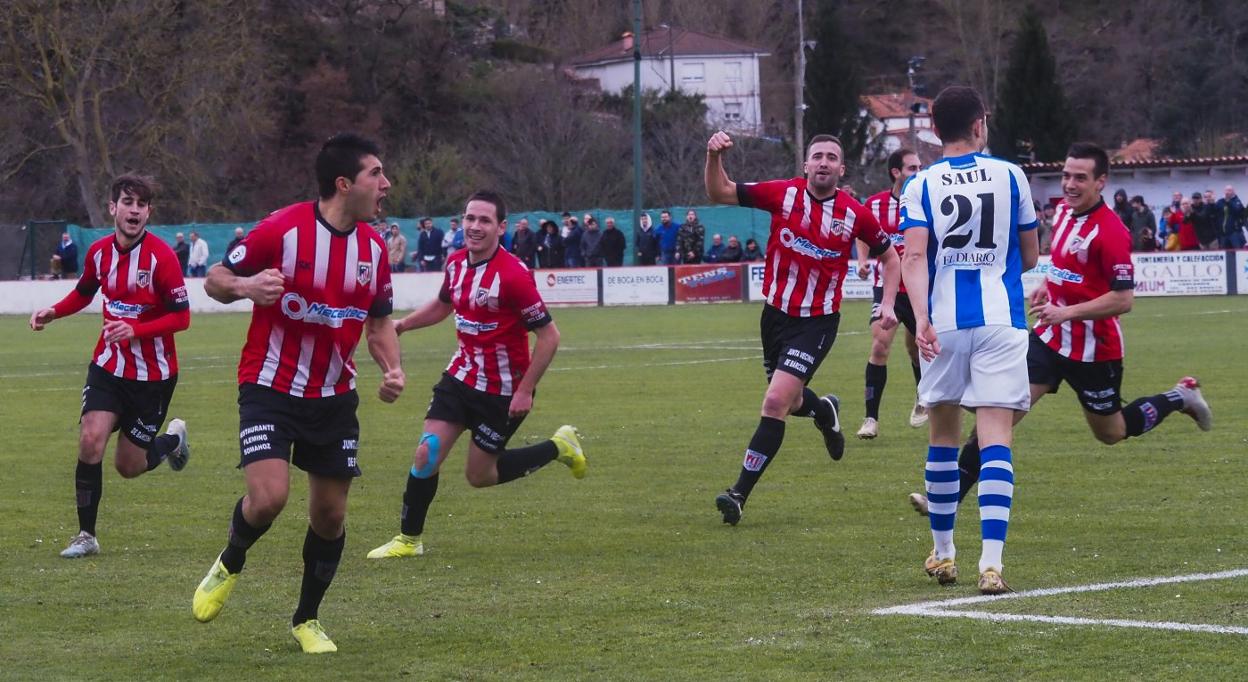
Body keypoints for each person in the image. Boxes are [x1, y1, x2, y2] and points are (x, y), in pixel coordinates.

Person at [907, 143, 1214, 544]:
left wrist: (1067, 312)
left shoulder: (1112, 231)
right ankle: (945, 502)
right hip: (1049, 342)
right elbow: (1064, 267)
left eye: (1080, 178)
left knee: (1112, 431)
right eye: (1067, 175)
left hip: (1094, 350)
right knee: (994, 420)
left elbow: (1123, 299)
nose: (1069, 184)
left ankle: (1179, 397)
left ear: (1101, 182)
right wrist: (1046, 291)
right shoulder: (1068, 215)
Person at [191, 133, 406, 654]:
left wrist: (393, 368)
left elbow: (378, 326)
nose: (386, 184)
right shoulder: (282, 228)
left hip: (334, 396)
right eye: (376, 174)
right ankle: (231, 560)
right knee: (269, 500)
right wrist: (245, 288)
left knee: (330, 516)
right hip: (269, 386)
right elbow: (215, 278)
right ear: (344, 184)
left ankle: (306, 619)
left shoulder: (374, 249)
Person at [367, 190, 586, 560]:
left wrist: (526, 390)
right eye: (470, 218)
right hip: (461, 377)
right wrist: (403, 324)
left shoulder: (514, 275)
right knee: (426, 453)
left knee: (479, 476)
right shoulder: (454, 263)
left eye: (484, 220)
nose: (474, 226)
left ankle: (559, 447)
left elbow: (549, 336)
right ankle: (408, 539)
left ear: (501, 227)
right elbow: (443, 305)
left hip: (503, 390)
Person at [705, 130, 900, 526]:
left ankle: (738, 493)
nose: (824, 162)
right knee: (791, 402)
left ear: (841, 169)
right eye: (818, 156)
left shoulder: (855, 213)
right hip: (774, 317)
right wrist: (713, 157)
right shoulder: (783, 195)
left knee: (775, 401)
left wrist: (889, 305)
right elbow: (720, 192)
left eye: (832, 156)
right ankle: (823, 410)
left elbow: (891, 257)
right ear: (806, 165)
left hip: (818, 322)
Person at [897, 86, 1039, 595]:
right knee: (997, 437)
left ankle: (943, 553)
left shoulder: (920, 185)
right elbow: (1031, 253)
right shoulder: (1011, 175)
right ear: (981, 124)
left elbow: (912, 259)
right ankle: (992, 564)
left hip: (946, 324)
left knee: (942, 436)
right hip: (1002, 320)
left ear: (935, 131)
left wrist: (921, 320)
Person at [29, 173, 192, 559]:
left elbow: (181, 318)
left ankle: (171, 441)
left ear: (149, 211)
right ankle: (86, 535)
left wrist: (134, 330)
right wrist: (54, 311)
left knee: (129, 466)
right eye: (127, 202)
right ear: (113, 208)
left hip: (153, 377)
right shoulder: (99, 253)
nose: (134, 211)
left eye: (141, 204)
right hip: (108, 366)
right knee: (90, 440)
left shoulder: (162, 258)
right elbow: (84, 293)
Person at [854, 148, 926, 440]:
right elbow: (861, 233)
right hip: (887, 288)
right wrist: (861, 260)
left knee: (917, 348)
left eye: (920, 167)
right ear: (896, 172)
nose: (918, 173)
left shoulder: (927, 202)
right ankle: (871, 418)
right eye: (912, 168)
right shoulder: (875, 205)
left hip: (919, 288)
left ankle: (924, 396)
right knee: (880, 344)